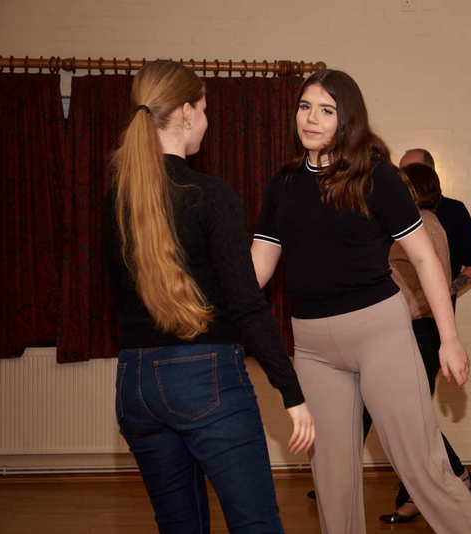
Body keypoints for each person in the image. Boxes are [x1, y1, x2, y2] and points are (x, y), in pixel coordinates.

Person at [251, 69, 471, 534]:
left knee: (422, 467)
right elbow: (258, 267)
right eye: (305, 107)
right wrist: (211, 309)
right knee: (331, 479)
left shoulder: (377, 177)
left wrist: (450, 339)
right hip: (313, 347)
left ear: (348, 120)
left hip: (380, 335)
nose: (311, 118)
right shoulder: (283, 185)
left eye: (326, 110)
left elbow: (424, 259)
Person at [103, 60, 314, 534]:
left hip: (135, 384)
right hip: (205, 377)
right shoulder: (210, 194)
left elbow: (119, 300)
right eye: (204, 109)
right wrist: (292, 392)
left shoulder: (116, 198)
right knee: (256, 524)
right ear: (185, 112)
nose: (206, 119)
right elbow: (246, 304)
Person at [374, 163, 471, 523]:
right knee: (406, 418)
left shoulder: (423, 225)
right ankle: (425, 490)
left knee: (409, 418)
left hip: (419, 331)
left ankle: (454, 475)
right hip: (409, 330)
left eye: (402, 184)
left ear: (416, 190)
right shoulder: (413, 222)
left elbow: (432, 281)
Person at [399, 149, 471, 304]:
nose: (404, 176)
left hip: (435, 315)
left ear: (429, 173)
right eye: (402, 171)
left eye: (412, 169)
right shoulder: (391, 211)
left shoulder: (453, 211)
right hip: (397, 312)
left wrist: (445, 292)